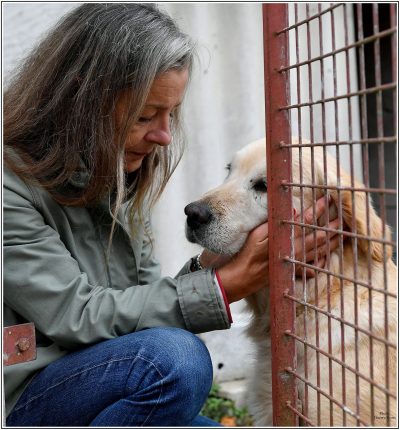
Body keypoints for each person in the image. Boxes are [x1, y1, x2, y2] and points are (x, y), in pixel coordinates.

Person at [3, 3, 340, 427]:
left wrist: (209, 265)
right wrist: (223, 287)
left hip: (96, 387)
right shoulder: (7, 186)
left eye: (170, 114)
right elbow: (77, 315)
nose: (164, 135)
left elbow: (138, 308)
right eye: (145, 115)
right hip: (19, 404)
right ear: (79, 100)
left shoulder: (111, 178)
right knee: (174, 361)